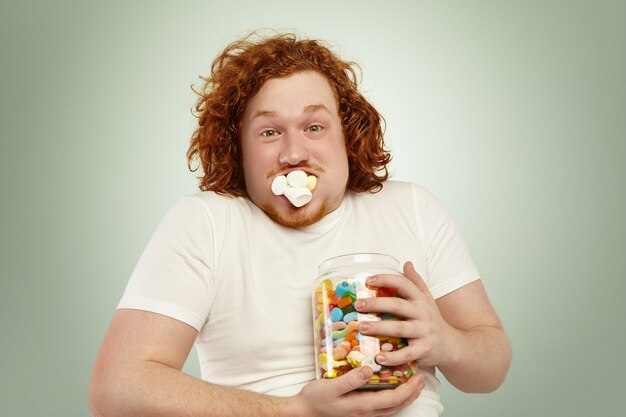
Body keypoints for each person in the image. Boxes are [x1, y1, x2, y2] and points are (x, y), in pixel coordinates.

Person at [89, 32, 511, 417]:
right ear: (238, 149)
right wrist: (296, 411)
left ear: (347, 135)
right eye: (269, 132)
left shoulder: (412, 207)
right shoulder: (207, 221)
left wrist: (445, 341)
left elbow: (491, 367)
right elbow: (117, 390)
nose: (294, 154)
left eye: (314, 126)